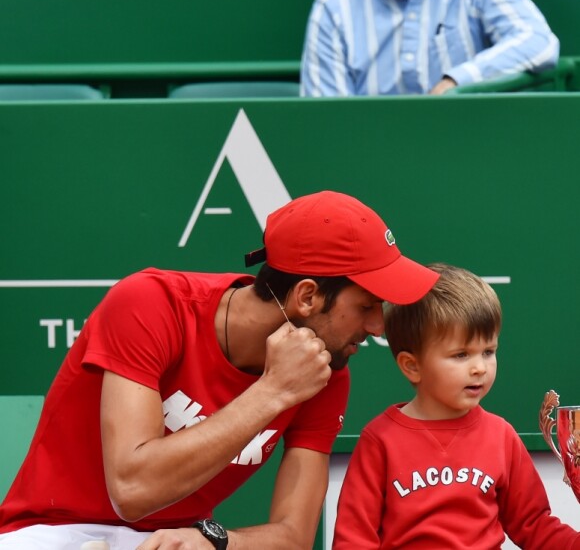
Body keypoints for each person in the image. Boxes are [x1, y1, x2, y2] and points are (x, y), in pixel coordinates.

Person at [0, 190, 439, 549]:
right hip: (53, 532)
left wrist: (214, 539)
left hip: (170, 545)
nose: (378, 325)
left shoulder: (325, 369)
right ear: (306, 297)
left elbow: (294, 536)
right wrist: (272, 392)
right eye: (365, 305)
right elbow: (132, 494)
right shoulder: (150, 304)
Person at [332, 263, 580, 549]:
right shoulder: (379, 441)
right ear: (412, 366)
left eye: (488, 351)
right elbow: (353, 539)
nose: (479, 368)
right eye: (461, 355)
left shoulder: (502, 436)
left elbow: (534, 525)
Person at [300, 0, 560, 96]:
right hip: (374, 164)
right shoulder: (334, 5)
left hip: (472, 150)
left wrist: (456, 81)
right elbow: (325, 121)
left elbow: (539, 42)